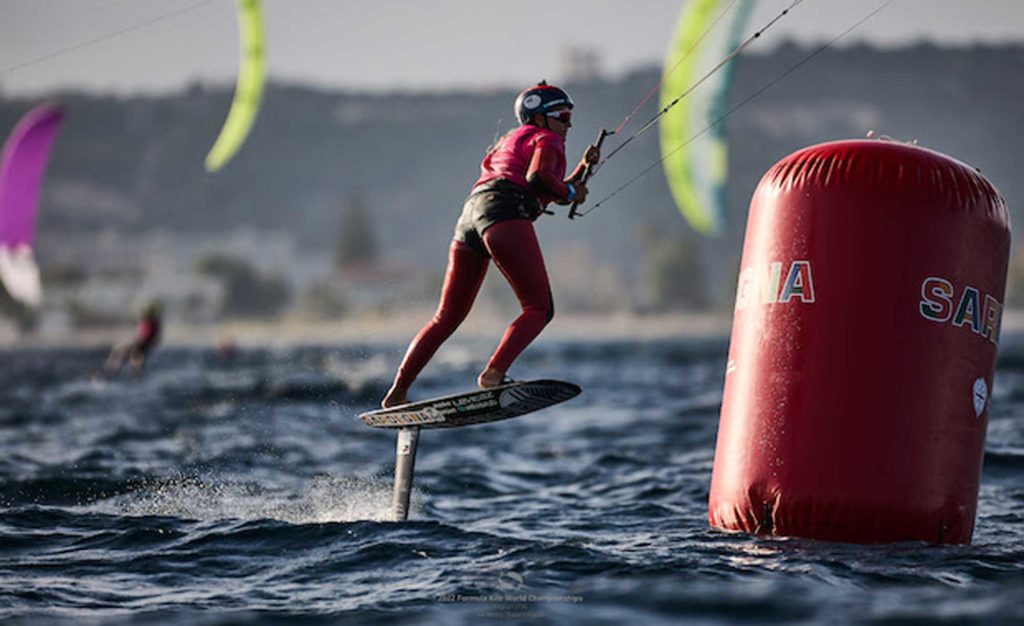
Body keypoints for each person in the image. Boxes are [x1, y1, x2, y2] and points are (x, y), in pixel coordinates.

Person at [381, 81, 600, 408]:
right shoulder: (547, 137)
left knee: (446, 317)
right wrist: (570, 193)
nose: (569, 124)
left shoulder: (511, 141)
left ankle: (397, 391)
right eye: (563, 116)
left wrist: (582, 170)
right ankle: (493, 374)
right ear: (540, 118)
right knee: (539, 309)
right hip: (504, 213)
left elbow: (538, 187)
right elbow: (539, 181)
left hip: (470, 217)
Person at [104, 301, 162, 377]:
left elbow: (146, 336)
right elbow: (146, 335)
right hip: (144, 344)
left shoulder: (151, 322)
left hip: (142, 343)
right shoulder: (151, 322)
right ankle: (133, 375)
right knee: (130, 356)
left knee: (121, 352)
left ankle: (109, 373)